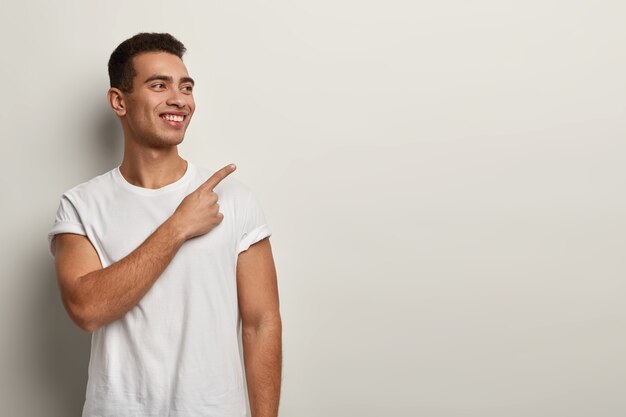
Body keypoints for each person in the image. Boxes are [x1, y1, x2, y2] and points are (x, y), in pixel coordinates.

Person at [47, 32, 281, 417]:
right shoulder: (81, 205)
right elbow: (86, 309)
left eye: (185, 87)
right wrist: (178, 226)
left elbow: (262, 324)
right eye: (159, 85)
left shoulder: (235, 200)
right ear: (119, 101)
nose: (179, 99)